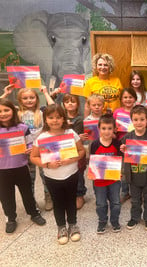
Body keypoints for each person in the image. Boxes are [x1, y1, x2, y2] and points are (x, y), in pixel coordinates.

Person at [31, 104, 85, 244]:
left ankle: (73, 224)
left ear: (63, 119)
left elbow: (81, 151)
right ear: (45, 119)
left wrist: (70, 160)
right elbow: (33, 157)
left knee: (71, 201)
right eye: (51, 117)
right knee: (58, 203)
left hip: (71, 174)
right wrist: (47, 164)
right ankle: (61, 227)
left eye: (58, 117)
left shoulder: (71, 133)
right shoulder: (42, 137)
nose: (55, 120)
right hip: (52, 177)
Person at [0, 98, 46, 234]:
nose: (3, 113)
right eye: (0, 111)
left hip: (20, 167)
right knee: (5, 196)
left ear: (13, 111)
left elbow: (30, 143)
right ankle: (10, 218)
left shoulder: (22, 128)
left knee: (27, 192)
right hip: (2, 170)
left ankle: (34, 213)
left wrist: (30, 148)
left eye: (6, 110)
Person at [5, 86, 55, 211]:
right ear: (20, 100)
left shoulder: (42, 112)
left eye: (32, 97)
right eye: (25, 98)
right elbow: (2, 107)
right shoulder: (16, 113)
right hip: (26, 150)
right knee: (30, 177)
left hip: (43, 148)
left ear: (37, 99)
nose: (29, 100)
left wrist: (45, 92)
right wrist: (5, 94)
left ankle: (48, 196)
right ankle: (31, 200)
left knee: (46, 175)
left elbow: (53, 107)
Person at [120, 105, 147, 231]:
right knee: (135, 199)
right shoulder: (128, 137)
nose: (139, 122)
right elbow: (123, 149)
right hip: (133, 175)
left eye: (142, 119)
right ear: (132, 121)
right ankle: (135, 218)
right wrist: (122, 149)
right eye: (136, 119)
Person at [90, 114, 122, 234]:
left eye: (109, 128)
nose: (107, 131)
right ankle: (102, 221)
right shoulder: (94, 144)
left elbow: (120, 159)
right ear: (99, 129)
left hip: (114, 180)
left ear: (114, 129)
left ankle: (115, 221)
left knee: (116, 202)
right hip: (99, 182)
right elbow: (92, 162)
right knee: (101, 203)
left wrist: (119, 172)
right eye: (104, 128)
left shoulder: (117, 144)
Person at [113, 88, 137, 203]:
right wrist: (115, 129)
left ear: (135, 99)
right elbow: (112, 129)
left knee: (136, 168)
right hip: (121, 144)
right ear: (121, 99)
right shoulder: (117, 112)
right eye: (125, 97)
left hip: (137, 143)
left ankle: (136, 191)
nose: (128, 99)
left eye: (130, 97)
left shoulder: (138, 111)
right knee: (123, 169)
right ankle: (125, 192)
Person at [62, 94, 87, 209]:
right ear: (63, 104)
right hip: (64, 150)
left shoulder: (80, 119)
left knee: (79, 173)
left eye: (73, 101)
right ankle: (68, 194)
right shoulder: (60, 118)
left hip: (77, 151)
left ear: (78, 104)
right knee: (66, 172)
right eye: (67, 102)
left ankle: (79, 195)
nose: (70, 103)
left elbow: (77, 137)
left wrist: (69, 129)